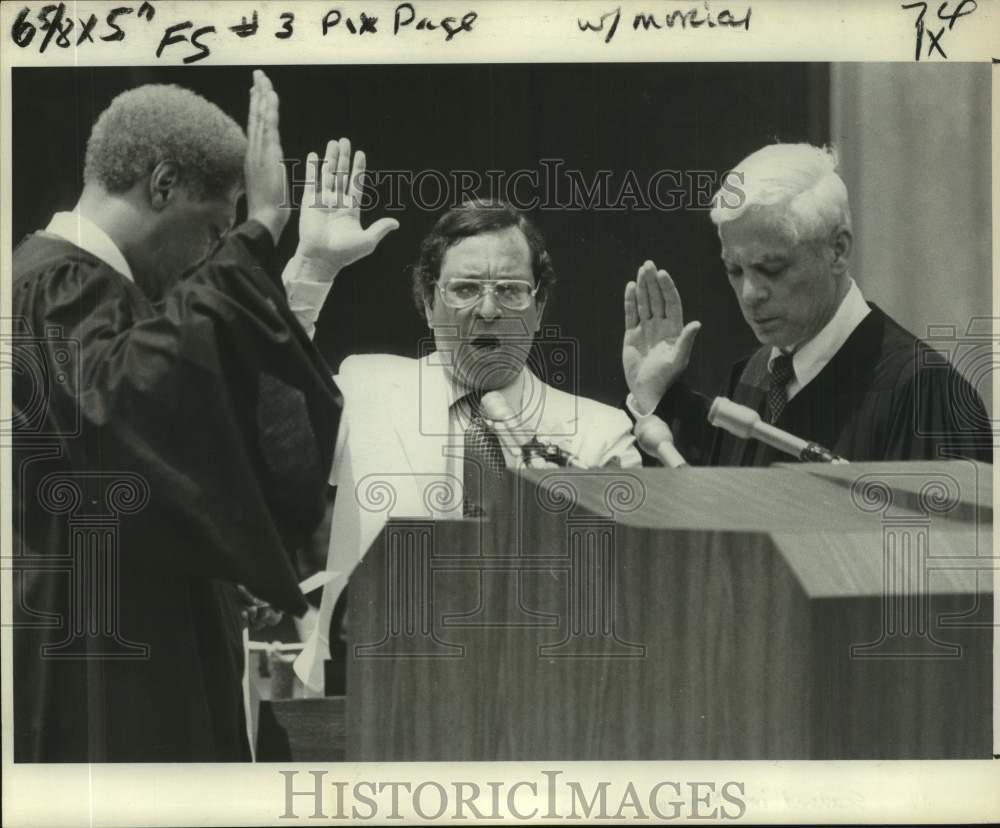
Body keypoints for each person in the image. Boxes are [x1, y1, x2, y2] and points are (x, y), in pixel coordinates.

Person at [11, 72, 389, 761]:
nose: (213, 255)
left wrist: (305, 270)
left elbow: (199, 414)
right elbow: (138, 410)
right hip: (101, 670)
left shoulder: (93, 296)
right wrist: (260, 231)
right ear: (162, 186)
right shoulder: (56, 287)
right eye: (213, 230)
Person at [282, 199, 642, 690]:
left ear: (539, 308)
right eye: (465, 289)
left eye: (511, 291)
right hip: (367, 692)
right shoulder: (366, 388)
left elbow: (618, 588)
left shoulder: (598, 433)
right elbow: (258, 418)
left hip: (532, 703)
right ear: (429, 304)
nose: (488, 310)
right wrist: (313, 271)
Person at [622, 143, 993, 466]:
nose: (750, 293)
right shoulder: (751, 378)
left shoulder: (926, 393)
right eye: (734, 269)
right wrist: (656, 396)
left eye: (771, 268)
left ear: (838, 250)